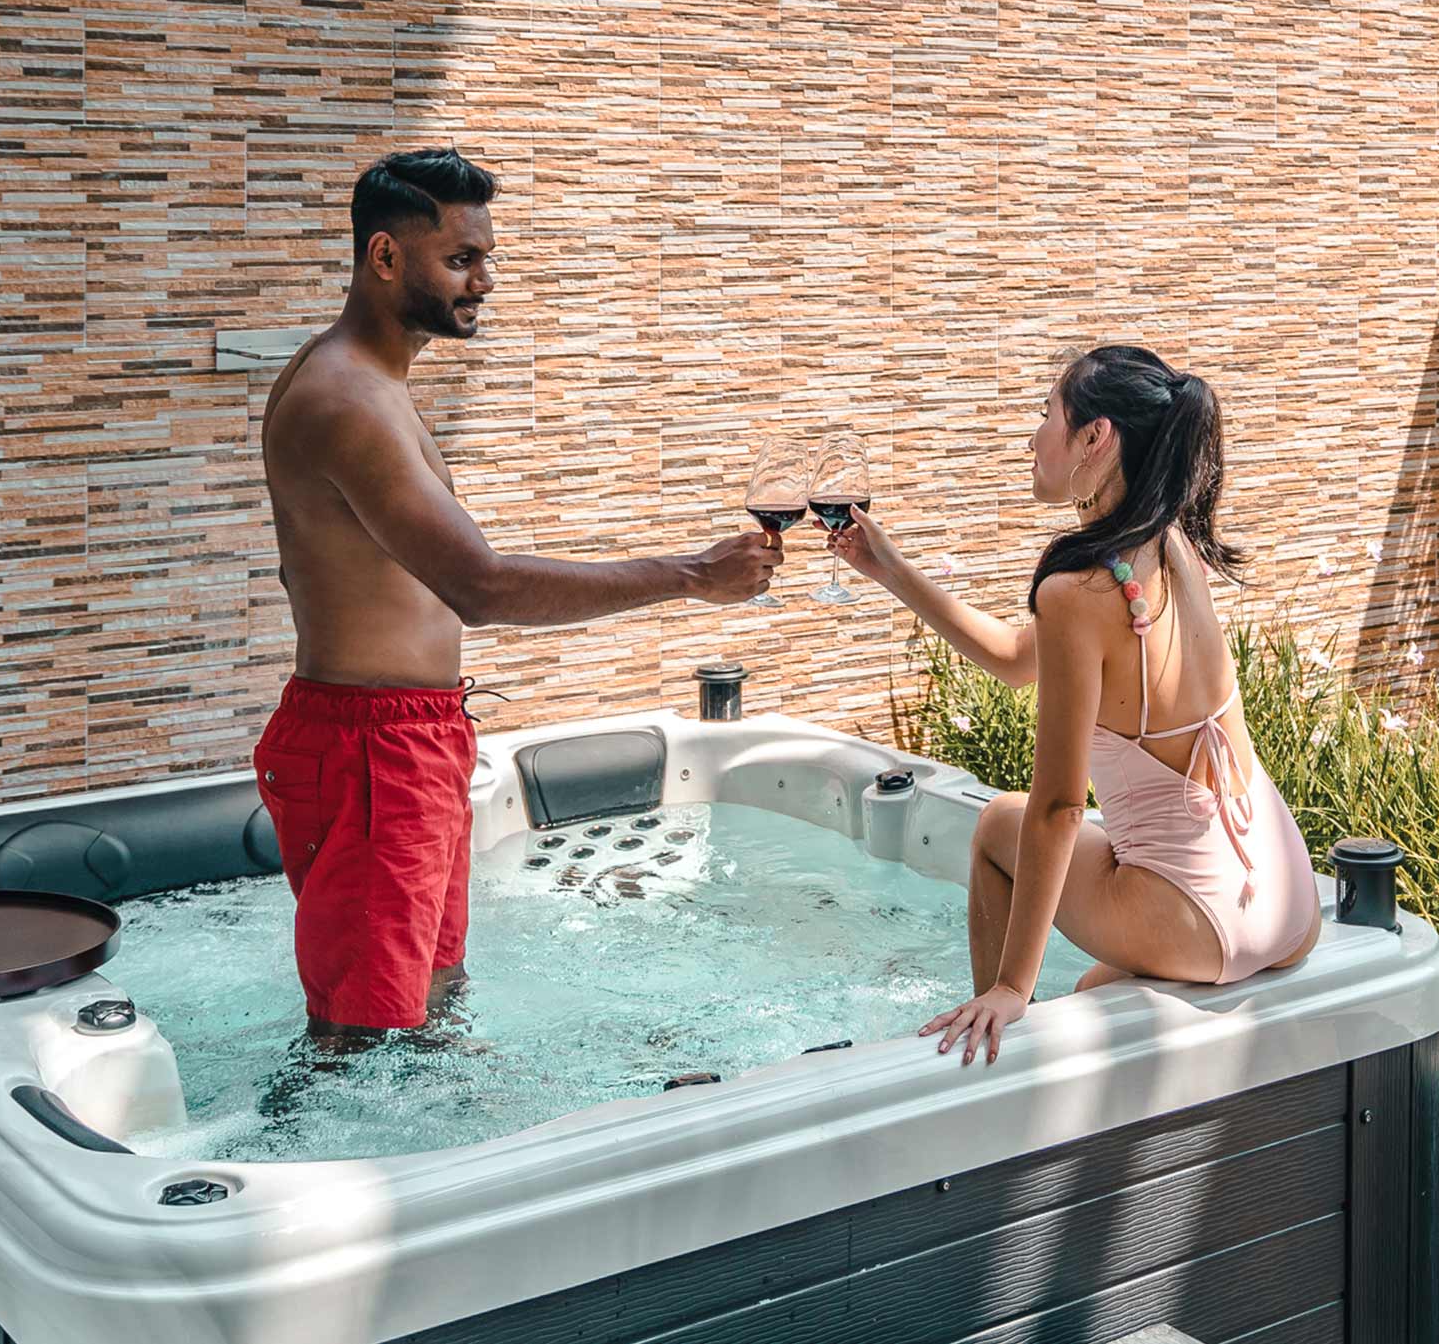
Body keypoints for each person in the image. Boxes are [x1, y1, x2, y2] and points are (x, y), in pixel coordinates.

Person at [255, 148, 779, 1046]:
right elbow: (479, 586)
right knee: (364, 1034)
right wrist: (690, 576)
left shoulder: (373, 382)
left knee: (431, 1001)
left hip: (403, 738)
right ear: (385, 258)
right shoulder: (346, 398)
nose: (485, 281)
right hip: (371, 750)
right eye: (461, 260)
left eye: (486, 258)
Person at [828, 345, 1322, 1066]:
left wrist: (1012, 988)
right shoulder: (1169, 543)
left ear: (1095, 437)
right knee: (1094, 986)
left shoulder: (1077, 591)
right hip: (1286, 901)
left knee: (1002, 821)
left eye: (1046, 416)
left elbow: (1058, 807)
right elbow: (1011, 659)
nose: (1033, 439)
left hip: (1202, 917)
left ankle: (993, 1063)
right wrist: (889, 567)